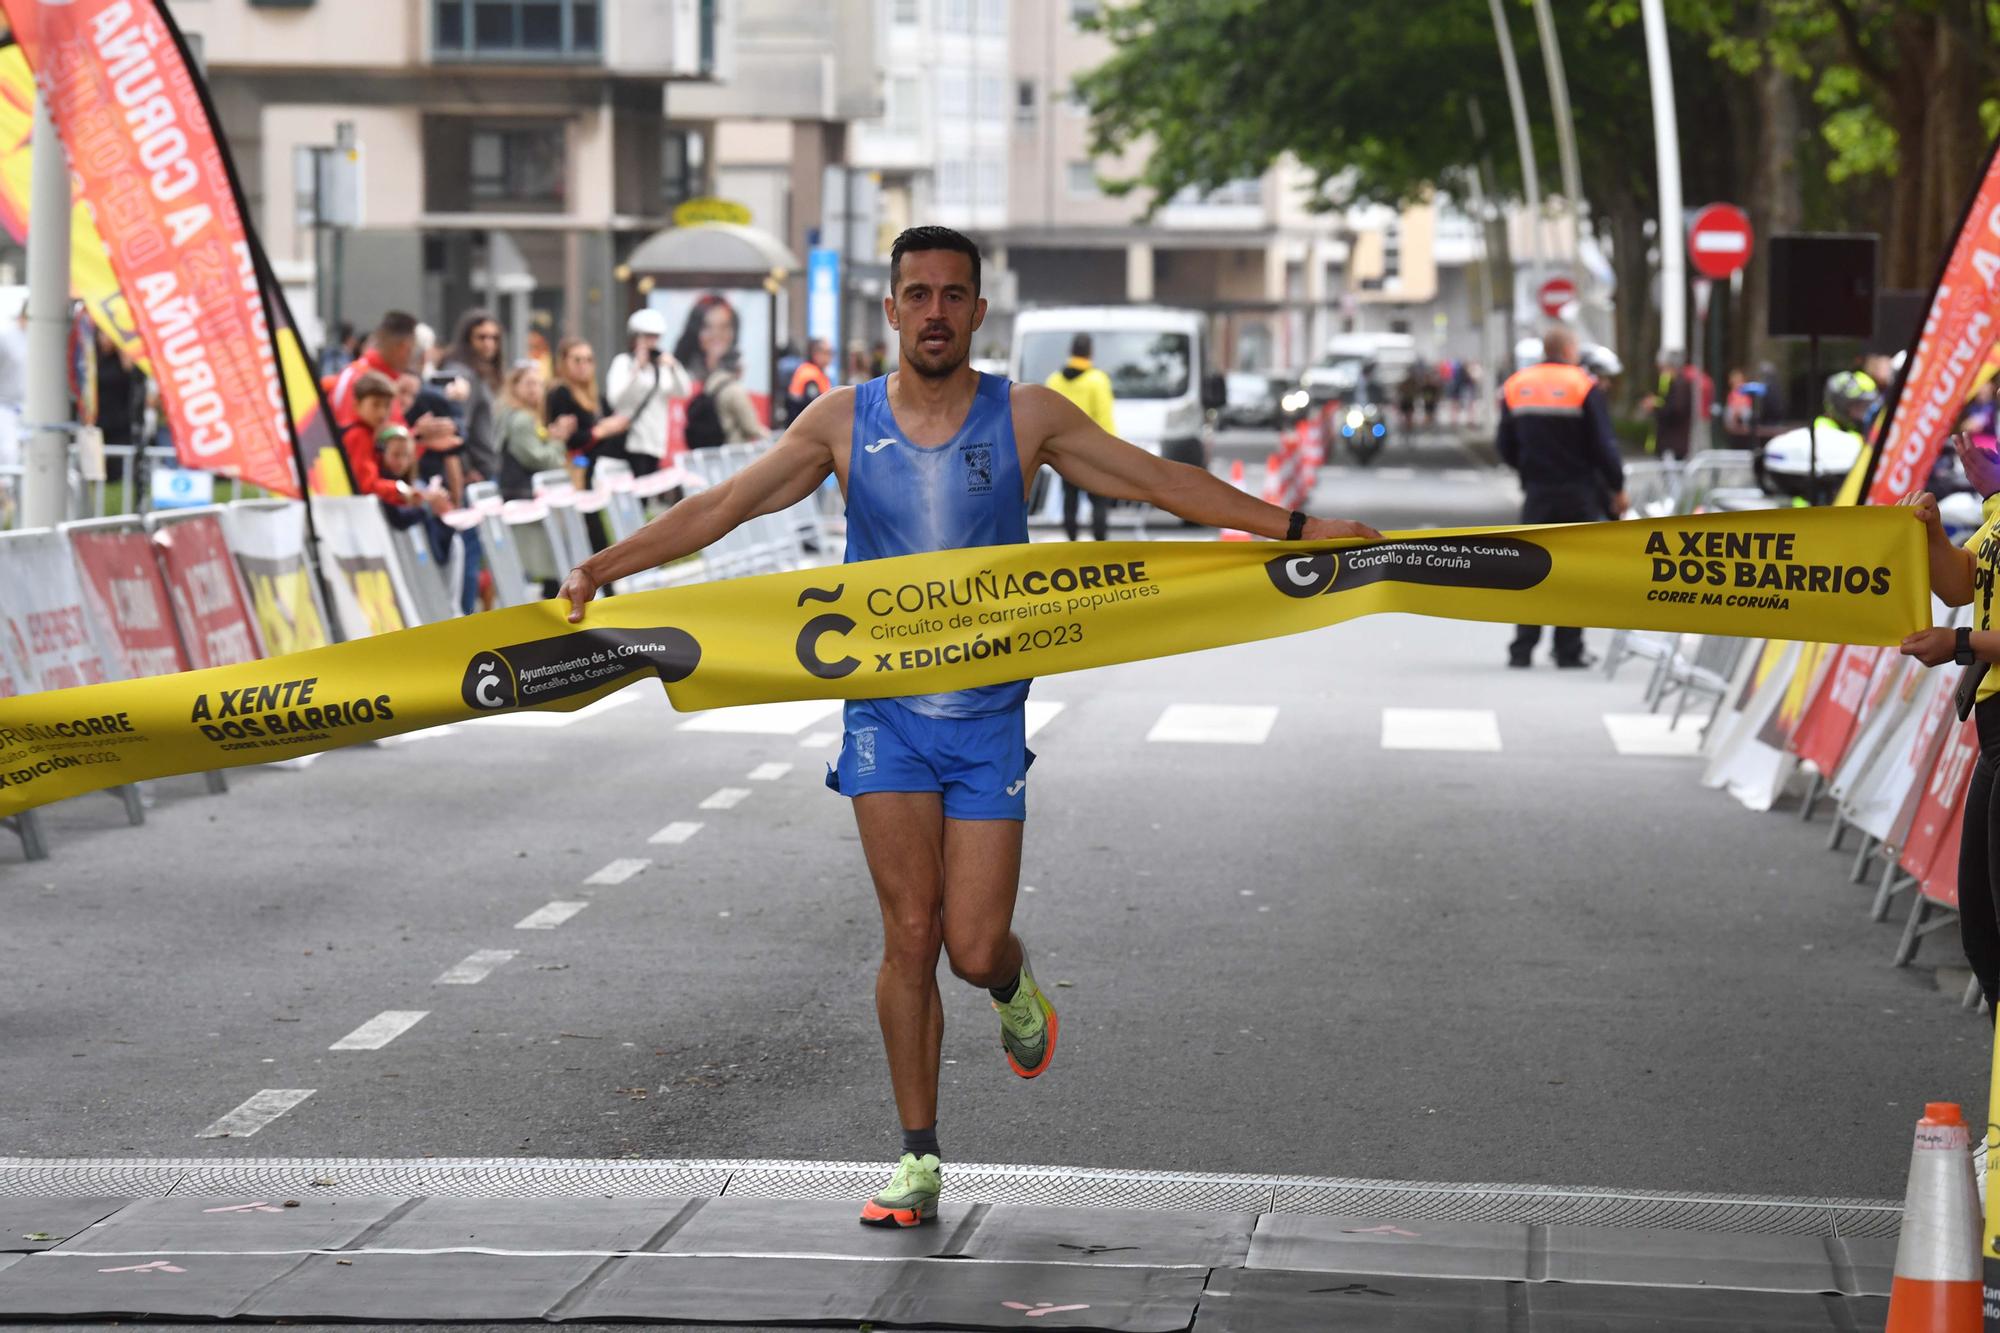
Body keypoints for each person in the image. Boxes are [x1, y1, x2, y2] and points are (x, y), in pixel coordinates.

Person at [555, 225, 1380, 1228]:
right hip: (884, 721)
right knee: (908, 935)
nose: (934, 311)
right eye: (916, 293)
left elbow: (1158, 480)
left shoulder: (1025, 413)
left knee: (971, 942)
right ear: (892, 308)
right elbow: (724, 506)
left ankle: (1011, 983)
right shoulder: (838, 422)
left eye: (953, 295)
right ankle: (916, 1157)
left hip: (986, 718)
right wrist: (606, 566)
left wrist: (1298, 529)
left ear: (978, 312)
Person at [1900, 432, 2000, 1013]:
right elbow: (1965, 581)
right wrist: (1933, 532)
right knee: (1983, 936)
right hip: (1993, 730)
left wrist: (1960, 642)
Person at [1497, 324, 1627, 669]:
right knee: (1572, 572)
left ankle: (1522, 648)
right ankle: (1567, 649)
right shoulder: (1583, 386)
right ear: (1570, 351)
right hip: (1578, 492)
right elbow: (1604, 446)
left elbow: (1504, 445)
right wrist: (1616, 486)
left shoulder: (1517, 385)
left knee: (1532, 570)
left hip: (1537, 491)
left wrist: (1527, 470)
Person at [341, 371, 450, 516]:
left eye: (386, 406)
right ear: (357, 405)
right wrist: (401, 490)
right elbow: (367, 484)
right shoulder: (358, 435)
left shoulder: (370, 433)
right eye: (375, 405)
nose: (382, 412)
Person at [1041, 332, 1115, 541]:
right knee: (1099, 500)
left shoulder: (1054, 380)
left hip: (1065, 451)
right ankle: (1100, 546)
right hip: (1093, 452)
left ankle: (1072, 543)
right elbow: (1104, 419)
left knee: (1070, 498)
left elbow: (1048, 418)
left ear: (1071, 352)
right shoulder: (1098, 380)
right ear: (1090, 352)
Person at [605, 309, 692, 477]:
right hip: (630, 441)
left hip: (656, 442)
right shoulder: (623, 363)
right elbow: (616, 400)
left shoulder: (661, 367)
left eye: (655, 337)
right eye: (647, 336)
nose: (652, 342)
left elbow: (684, 391)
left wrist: (674, 366)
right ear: (635, 337)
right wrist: (637, 371)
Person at [547, 336, 629, 482]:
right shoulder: (560, 392)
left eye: (589, 360)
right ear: (563, 362)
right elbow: (566, 439)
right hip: (577, 472)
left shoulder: (597, 396)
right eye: (577, 360)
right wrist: (599, 431)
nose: (583, 365)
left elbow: (618, 425)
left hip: (604, 470)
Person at [496, 361, 577, 501]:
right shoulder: (522, 419)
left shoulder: (512, 413)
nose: (534, 389)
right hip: (523, 497)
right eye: (529, 383)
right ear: (514, 386)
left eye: (539, 384)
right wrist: (557, 441)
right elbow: (538, 460)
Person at [442, 310, 505, 485]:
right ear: (468, 339)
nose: (488, 344)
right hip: (475, 473)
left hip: (485, 468)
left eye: (494, 338)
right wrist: (466, 468)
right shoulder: (463, 374)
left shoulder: (479, 374)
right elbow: (458, 425)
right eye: (481, 337)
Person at [700, 349, 765, 445]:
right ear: (738, 367)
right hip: (733, 449)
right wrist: (770, 437)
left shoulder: (710, 384)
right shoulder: (735, 391)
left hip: (711, 445)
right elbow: (750, 427)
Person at [673, 294, 738, 382]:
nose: (716, 334)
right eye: (707, 327)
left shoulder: (738, 369)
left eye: (724, 326)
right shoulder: (682, 375)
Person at [1643, 351, 1694, 460]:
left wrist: (1655, 406)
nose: (1661, 372)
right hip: (1667, 442)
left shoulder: (1680, 384)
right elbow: (1665, 402)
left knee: (1673, 474)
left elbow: (1675, 410)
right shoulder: (1668, 383)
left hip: (1673, 444)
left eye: (1662, 368)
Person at [787, 337, 833, 421]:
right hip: (804, 428)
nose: (829, 357)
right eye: (826, 353)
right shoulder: (810, 375)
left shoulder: (814, 371)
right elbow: (813, 407)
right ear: (815, 354)